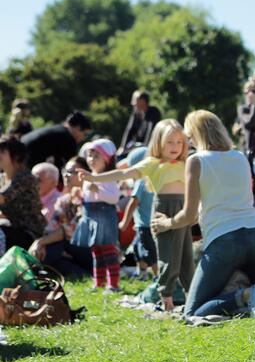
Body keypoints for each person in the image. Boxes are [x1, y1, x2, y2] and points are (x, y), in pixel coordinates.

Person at [151, 110, 255, 318]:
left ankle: (245, 296)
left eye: (189, 136)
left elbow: (189, 215)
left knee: (193, 312)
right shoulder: (240, 157)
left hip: (224, 241)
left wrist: (166, 223)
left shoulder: (197, 161)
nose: (189, 141)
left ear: (196, 134)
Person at [78, 120, 192, 310]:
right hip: (164, 210)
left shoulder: (186, 162)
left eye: (179, 142)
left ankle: (191, 299)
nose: (175, 147)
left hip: (183, 211)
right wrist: (94, 178)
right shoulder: (153, 163)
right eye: (169, 142)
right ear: (159, 142)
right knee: (167, 258)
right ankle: (167, 300)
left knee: (186, 257)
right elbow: (123, 175)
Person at [29, 156, 93, 278]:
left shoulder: (93, 198)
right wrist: (42, 244)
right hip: (75, 251)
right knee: (51, 254)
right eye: (65, 171)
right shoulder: (64, 201)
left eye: (72, 172)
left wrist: (40, 241)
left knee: (59, 243)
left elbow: (69, 231)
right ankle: (88, 276)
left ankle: (29, 271)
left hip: (96, 252)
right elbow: (51, 229)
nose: (66, 175)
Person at [72, 138, 121, 292]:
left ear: (107, 159)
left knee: (108, 250)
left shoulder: (109, 177)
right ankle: (98, 282)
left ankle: (113, 284)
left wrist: (97, 190)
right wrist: (80, 195)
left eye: (96, 156)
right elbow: (88, 197)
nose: (91, 159)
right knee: (96, 251)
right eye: (90, 156)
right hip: (91, 215)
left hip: (104, 216)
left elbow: (113, 198)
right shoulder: (88, 177)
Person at [117, 147, 158, 280]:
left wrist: (125, 222)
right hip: (146, 224)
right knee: (138, 249)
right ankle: (142, 274)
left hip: (145, 225)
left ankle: (159, 277)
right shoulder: (155, 177)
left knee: (150, 253)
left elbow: (134, 202)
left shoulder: (142, 181)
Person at [0, 137, 47, 249]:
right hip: (12, 229)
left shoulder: (25, 177)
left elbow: (2, 198)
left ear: (16, 156)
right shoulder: (2, 178)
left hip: (30, 233)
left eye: (2, 152)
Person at [21, 111, 92, 170]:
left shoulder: (58, 131)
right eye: (85, 134)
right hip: (26, 161)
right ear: (78, 128)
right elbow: (71, 165)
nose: (83, 138)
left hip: (18, 157)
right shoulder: (67, 138)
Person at [117, 90, 162, 156]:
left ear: (143, 101)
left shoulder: (154, 112)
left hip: (149, 147)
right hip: (137, 145)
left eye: (135, 100)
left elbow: (151, 132)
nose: (133, 103)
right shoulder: (136, 112)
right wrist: (122, 147)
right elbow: (129, 130)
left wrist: (146, 150)